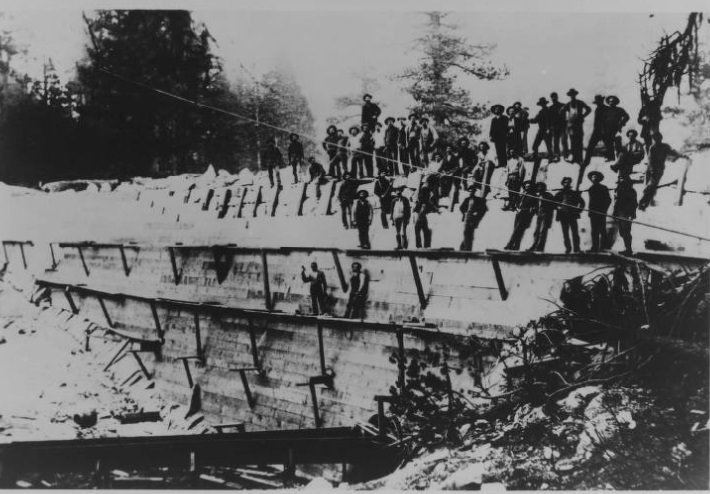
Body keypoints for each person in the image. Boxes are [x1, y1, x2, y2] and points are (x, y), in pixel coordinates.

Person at [639, 132, 686, 211]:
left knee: (651, 187)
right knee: (650, 187)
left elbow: (673, 152)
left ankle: (643, 203)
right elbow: (650, 160)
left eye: (658, 138)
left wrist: (681, 155)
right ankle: (643, 203)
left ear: (660, 138)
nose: (656, 140)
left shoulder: (665, 146)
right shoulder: (652, 147)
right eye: (654, 139)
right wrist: (652, 170)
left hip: (659, 169)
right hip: (652, 169)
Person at [553, 177, 585, 253]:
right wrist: (558, 207)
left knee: (575, 233)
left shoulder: (574, 193)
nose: (567, 184)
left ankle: (577, 249)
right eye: (565, 182)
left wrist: (578, 210)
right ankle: (568, 249)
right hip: (563, 216)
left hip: (572, 215)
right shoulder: (559, 193)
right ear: (563, 183)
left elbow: (582, 203)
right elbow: (553, 203)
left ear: (570, 183)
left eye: (568, 182)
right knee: (565, 233)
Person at [504, 181, 536, 250]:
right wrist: (517, 208)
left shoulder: (532, 196)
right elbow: (517, 202)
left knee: (517, 230)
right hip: (518, 213)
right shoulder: (521, 194)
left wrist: (528, 210)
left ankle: (509, 245)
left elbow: (533, 207)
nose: (527, 187)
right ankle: (516, 246)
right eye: (526, 186)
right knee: (517, 230)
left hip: (525, 214)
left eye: (529, 187)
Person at [562, 88, 591, 164]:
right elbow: (561, 111)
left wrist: (583, 116)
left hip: (578, 125)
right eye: (571, 95)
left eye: (573, 95)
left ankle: (580, 159)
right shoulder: (568, 104)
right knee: (572, 142)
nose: (572, 96)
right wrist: (566, 120)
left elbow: (589, 109)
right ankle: (574, 158)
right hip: (571, 126)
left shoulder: (580, 103)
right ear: (569, 96)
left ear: (575, 95)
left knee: (579, 141)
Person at [587, 171, 611, 252]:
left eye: (595, 177)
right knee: (594, 230)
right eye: (592, 177)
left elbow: (608, 200)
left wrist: (604, 210)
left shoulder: (604, 188)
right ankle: (595, 247)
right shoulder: (591, 189)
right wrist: (590, 211)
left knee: (602, 230)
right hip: (593, 213)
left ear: (599, 179)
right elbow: (591, 201)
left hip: (601, 212)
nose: (594, 178)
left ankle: (604, 247)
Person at [528, 182, 556, 252]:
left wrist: (548, 204)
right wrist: (533, 208)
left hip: (546, 215)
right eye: (538, 187)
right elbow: (534, 204)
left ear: (544, 188)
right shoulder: (537, 196)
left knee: (542, 232)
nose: (539, 189)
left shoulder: (549, 195)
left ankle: (540, 247)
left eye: (541, 187)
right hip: (539, 215)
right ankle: (534, 245)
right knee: (536, 231)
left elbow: (553, 206)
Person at [459, 185, 488, 251]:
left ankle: (467, 248)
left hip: (473, 219)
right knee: (466, 232)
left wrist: (477, 214)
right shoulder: (467, 199)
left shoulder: (478, 200)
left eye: (472, 191)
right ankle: (464, 247)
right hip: (467, 217)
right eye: (469, 191)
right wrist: (464, 213)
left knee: (470, 233)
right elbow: (461, 208)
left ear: (474, 192)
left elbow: (484, 209)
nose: (471, 193)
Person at [613, 176, 638, 255]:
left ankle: (629, 250)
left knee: (626, 232)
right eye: (620, 181)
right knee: (622, 232)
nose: (621, 182)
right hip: (620, 213)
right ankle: (626, 248)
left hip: (627, 214)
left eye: (623, 180)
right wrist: (615, 213)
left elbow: (634, 204)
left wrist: (631, 215)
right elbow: (616, 203)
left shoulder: (631, 191)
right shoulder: (619, 191)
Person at [583, 95, 608, 167]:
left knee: (608, 145)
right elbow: (596, 122)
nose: (598, 103)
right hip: (597, 131)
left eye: (599, 102)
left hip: (604, 131)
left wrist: (604, 130)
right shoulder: (597, 109)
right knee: (590, 146)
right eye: (597, 102)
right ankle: (586, 161)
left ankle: (610, 158)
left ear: (602, 101)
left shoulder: (606, 109)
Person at [602, 95, 630, 160]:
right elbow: (602, 120)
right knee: (609, 144)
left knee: (618, 144)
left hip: (616, 129)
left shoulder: (619, 110)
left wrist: (621, 124)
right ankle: (611, 157)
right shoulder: (605, 110)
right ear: (608, 102)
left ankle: (619, 158)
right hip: (607, 129)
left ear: (615, 102)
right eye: (610, 101)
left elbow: (627, 116)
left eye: (613, 101)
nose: (611, 102)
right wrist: (603, 129)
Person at [414, 179, 437, 248]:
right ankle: (425, 246)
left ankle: (419, 246)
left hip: (421, 214)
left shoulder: (424, 190)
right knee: (425, 231)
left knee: (419, 230)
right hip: (423, 214)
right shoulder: (426, 191)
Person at [549, 92, 567, 162]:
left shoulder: (563, 105)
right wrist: (550, 127)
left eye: (555, 97)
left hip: (563, 126)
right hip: (554, 127)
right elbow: (549, 119)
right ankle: (557, 156)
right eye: (552, 97)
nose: (554, 98)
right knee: (556, 142)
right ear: (551, 99)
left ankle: (565, 156)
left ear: (557, 97)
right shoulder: (550, 108)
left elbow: (568, 114)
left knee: (564, 141)